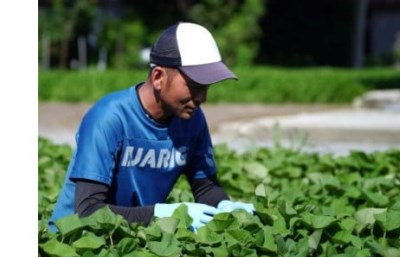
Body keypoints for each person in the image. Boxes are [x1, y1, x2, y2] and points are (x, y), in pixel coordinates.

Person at [49, 22, 255, 232]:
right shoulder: (109, 117)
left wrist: (225, 207)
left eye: (206, 87)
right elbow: (87, 211)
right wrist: (161, 215)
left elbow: (205, 185)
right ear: (158, 77)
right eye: (194, 86)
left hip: (134, 237)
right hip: (75, 241)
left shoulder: (193, 120)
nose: (202, 97)